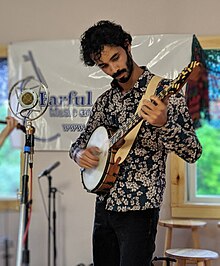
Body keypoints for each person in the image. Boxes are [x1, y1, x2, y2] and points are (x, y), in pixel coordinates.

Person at [69, 20, 202, 266]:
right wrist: (79, 154)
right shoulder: (105, 101)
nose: (113, 69)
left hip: (140, 209)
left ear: (127, 46)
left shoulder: (165, 92)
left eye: (116, 58)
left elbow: (193, 151)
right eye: (104, 66)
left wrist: (164, 124)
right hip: (104, 206)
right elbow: (78, 142)